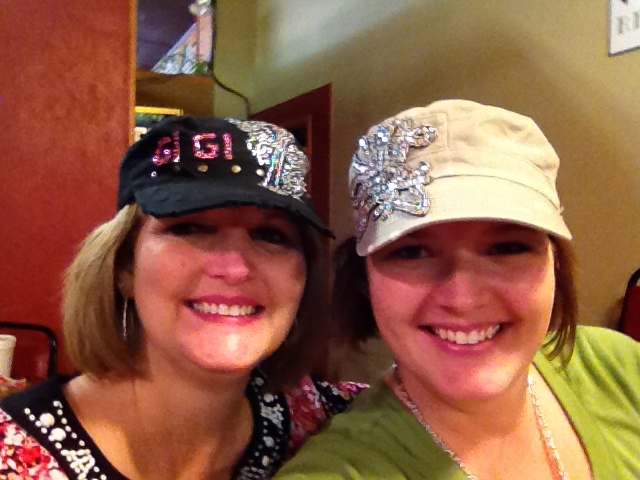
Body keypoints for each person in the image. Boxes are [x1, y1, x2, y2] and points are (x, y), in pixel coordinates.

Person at [276, 100, 640, 479]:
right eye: (412, 252)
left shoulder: (616, 366)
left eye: (507, 248)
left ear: (555, 262)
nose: (463, 299)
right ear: (364, 279)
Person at [0, 116, 365, 479]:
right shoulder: (12, 455)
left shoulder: (341, 424)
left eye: (271, 235)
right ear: (124, 268)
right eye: (189, 227)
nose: (235, 268)